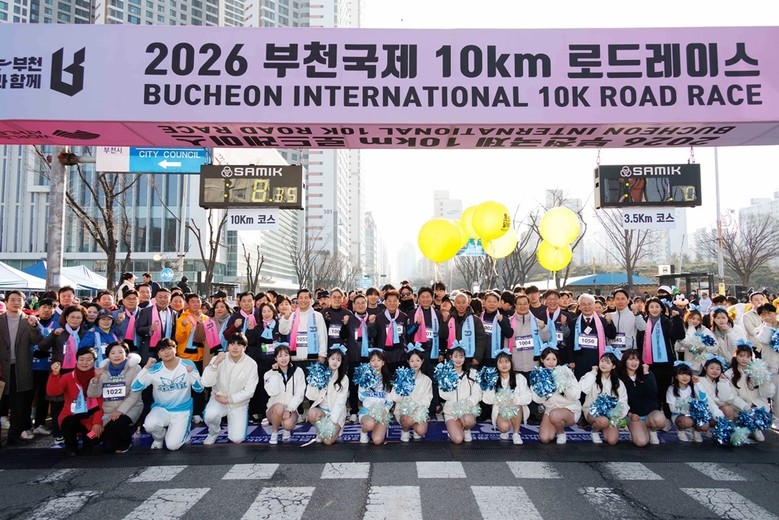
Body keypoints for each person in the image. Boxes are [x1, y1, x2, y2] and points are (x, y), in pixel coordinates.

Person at [130, 338, 204, 450]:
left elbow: (199, 389)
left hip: (182, 410)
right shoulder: (155, 368)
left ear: (175, 349)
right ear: (158, 354)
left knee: (172, 446)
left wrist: (192, 373)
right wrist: (146, 368)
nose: (166, 352)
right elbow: (135, 387)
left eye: (169, 348)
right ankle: (159, 439)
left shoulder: (187, 364)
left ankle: (185, 428)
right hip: (161, 409)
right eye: (162, 350)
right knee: (150, 425)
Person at [0, 291, 44, 446]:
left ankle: (14, 435)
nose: (16, 303)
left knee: (19, 404)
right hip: (2, 368)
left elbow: (39, 341)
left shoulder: (28, 320)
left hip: (21, 368)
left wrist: (34, 326)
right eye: (12, 300)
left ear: (24, 302)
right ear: (6, 302)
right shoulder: (0, 320)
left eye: (19, 300)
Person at [201, 333, 259, 445]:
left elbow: (249, 391)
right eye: (232, 344)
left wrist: (229, 400)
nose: (235, 347)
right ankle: (213, 432)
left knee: (237, 439)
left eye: (239, 345)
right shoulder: (218, 359)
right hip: (218, 400)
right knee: (210, 415)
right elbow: (205, 382)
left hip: (238, 404)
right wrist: (215, 364)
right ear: (227, 346)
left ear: (245, 347)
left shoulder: (251, 364)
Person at [87, 341, 142, 453]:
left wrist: (120, 411)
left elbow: (135, 394)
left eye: (120, 352)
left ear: (126, 354)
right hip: (107, 413)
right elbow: (93, 395)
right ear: (108, 355)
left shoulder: (136, 368)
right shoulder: (101, 370)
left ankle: (126, 443)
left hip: (130, 408)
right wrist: (96, 379)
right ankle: (109, 434)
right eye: (113, 353)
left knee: (118, 425)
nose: (117, 356)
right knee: (90, 439)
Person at [46, 347, 103, 456]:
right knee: (68, 424)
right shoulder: (68, 377)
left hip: (90, 419)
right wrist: (55, 374)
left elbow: (101, 403)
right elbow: (53, 392)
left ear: (94, 361)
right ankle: (71, 445)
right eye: (81, 359)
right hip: (71, 415)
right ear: (76, 360)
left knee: (94, 438)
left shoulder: (99, 377)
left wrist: (97, 422)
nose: (84, 363)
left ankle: (87, 440)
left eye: (89, 359)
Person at [641, 297, 685, 415]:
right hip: (649, 362)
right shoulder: (643, 322)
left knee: (665, 388)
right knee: (652, 388)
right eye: (651, 307)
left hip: (665, 362)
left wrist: (677, 319)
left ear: (662, 308)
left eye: (657, 306)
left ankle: (666, 414)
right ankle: (654, 413)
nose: (654, 309)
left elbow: (679, 335)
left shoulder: (667, 321)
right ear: (647, 309)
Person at [725, 343, 775, 442]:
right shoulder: (729, 374)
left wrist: (765, 381)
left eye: (748, 356)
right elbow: (732, 396)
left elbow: (767, 394)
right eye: (741, 356)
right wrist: (746, 407)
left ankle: (755, 428)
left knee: (759, 416)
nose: (744, 359)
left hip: (758, 405)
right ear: (736, 356)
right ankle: (745, 428)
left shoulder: (757, 371)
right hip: (740, 407)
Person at [619, 349, 669, 447]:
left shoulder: (647, 374)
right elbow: (618, 399)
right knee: (641, 442)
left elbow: (653, 392)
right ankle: (636, 429)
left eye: (637, 360)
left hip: (650, 413)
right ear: (625, 361)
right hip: (634, 417)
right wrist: (630, 414)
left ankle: (652, 430)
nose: (634, 362)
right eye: (630, 359)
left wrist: (646, 374)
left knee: (660, 420)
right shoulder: (619, 377)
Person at [481, 349, 531, 445]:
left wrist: (515, 399)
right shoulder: (493, 379)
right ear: (496, 364)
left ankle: (516, 433)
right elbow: (487, 400)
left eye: (507, 362)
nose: (504, 365)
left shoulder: (519, 377)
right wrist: (491, 387)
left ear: (511, 363)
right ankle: (505, 429)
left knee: (517, 406)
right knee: (504, 427)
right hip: (500, 410)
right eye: (501, 362)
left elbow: (528, 397)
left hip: (516, 408)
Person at [533, 347, 581, 444]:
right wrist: (544, 389)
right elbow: (537, 400)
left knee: (555, 415)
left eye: (554, 359)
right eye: (547, 359)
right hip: (550, 410)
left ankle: (561, 433)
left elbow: (576, 395)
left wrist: (563, 385)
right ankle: (557, 424)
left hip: (569, 408)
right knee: (545, 438)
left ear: (557, 360)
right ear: (542, 360)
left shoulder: (565, 371)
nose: (551, 362)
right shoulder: (538, 375)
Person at [580, 350, 628, 445]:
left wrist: (617, 415)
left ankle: (604, 426)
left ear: (613, 366)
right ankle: (594, 431)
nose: (604, 364)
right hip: (592, 411)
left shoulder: (618, 382)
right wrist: (593, 372)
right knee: (603, 421)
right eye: (602, 361)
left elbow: (623, 401)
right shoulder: (593, 377)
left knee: (612, 440)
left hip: (610, 415)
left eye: (608, 362)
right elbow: (583, 388)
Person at [305, 346, 349, 445]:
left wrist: (332, 421)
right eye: (333, 358)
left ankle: (338, 428)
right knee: (311, 414)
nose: (335, 362)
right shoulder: (321, 373)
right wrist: (313, 381)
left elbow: (340, 402)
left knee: (328, 442)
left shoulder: (344, 378)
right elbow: (311, 396)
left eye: (338, 360)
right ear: (328, 359)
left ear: (341, 362)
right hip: (323, 412)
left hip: (336, 415)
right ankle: (321, 430)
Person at [263, 343, 305, 445]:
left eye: (286, 355)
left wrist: (289, 409)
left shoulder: (298, 371)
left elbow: (300, 394)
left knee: (288, 424)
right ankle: (274, 432)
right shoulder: (269, 374)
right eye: (280, 356)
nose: (283, 358)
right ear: (275, 358)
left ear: (290, 356)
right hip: (274, 409)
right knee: (279, 407)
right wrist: (275, 373)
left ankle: (286, 430)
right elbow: (272, 392)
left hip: (291, 409)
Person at [390, 345, 433, 442]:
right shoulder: (402, 377)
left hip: (419, 410)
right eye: (412, 361)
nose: (415, 363)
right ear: (408, 361)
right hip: (403, 410)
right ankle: (405, 430)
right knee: (408, 420)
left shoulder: (427, 380)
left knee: (421, 431)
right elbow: (394, 396)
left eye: (418, 360)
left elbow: (428, 398)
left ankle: (415, 428)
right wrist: (401, 391)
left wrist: (417, 406)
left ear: (422, 361)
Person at [439, 346, 482, 445]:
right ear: (451, 357)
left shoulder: (472, 373)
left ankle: (466, 429)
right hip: (451, 412)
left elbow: (477, 393)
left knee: (469, 421)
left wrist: (469, 403)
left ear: (465, 358)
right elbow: (443, 395)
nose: (458, 359)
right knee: (458, 439)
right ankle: (454, 428)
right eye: (456, 356)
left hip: (467, 410)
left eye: (461, 356)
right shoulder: (445, 374)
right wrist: (448, 382)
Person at [666, 362, 715, 442]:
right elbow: (672, 409)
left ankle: (696, 430)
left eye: (687, 374)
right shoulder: (671, 389)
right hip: (679, 415)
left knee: (705, 425)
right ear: (676, 376)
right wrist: (685, 410)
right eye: (681, 374)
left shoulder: (692, 387)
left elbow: (702, 397)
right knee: (687, 421)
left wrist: (697, 384)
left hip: (694, 415)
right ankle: (680, 430)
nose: (685, 377)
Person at [572, 294, 617, 380]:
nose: (587, 307)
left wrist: (610, 323)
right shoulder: (574, 322)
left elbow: (612, 335)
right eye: (583, 304)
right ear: (579, 306)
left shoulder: (603, 321)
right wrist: (571, 360)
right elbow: (570, 343)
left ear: (593, 305)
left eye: (589, 304)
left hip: (598, 360)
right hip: (580, 362)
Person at [30, 298, 57, 436]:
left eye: (50, 307)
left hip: (49, 367)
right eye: (44, 307)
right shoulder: (31, 322)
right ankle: (26, 425)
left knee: (44, 396)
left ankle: (40, 424)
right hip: (32, 366)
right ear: (38, 308)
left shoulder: (57, 324)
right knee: (29, 396)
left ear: (54, 310)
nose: (46, 310)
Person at [279, 288, 327, 362]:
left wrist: (322, 355)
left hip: (313, 358)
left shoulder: (318, 316)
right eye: (301, 298)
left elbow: (322, 337)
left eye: (306, 298)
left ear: (311, 300)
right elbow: (283, 331)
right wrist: (285, 318)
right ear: (297, 300)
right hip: (295, 358)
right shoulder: (292, 315)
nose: (303, 300)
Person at [696, 355, 745, 423]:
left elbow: (726, 398)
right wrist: (719, 414)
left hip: (717, 409)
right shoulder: (699, 380)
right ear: (705, 368)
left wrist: (722, 382)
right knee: (726, 410)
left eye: (718, 369)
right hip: (705, 409)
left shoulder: (721, 381)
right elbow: (707, 400)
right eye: (712, 368)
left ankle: (728, 428)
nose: (715, 371)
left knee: (729, 410)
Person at [358, 350, 393, 445]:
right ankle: (364, 431)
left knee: (377, 440)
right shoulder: (364, 378)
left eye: (378, 360)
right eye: (373, 360)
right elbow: (361, 398)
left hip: (381, 413)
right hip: (367, 412)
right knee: (369, 424)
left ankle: (376, 430)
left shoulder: (388, 379)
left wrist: (385, 410)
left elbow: (390, 400)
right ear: (369, 363)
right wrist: (365, 384)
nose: (376, 363)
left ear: (383, 363)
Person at [446, 291, 487, 371]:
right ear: (454, 304)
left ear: (468, 303)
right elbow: (444, 336)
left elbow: (481, 339)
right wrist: (444, 322)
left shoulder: (475, 320)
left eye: (463, 302)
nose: (461, 305)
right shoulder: (450, 319)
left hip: (470, 358)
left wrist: (477, 357)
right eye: (458, 303)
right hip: (453, 357)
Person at [135, 288, 177, 364]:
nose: (162, 300)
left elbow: (174, 332)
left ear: (170, 299)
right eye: (160, 297)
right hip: (149, 350)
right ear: (155, 298)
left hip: (167, 350)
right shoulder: (146, 311)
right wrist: (149, 329)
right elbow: (139, 330)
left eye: (165, 297)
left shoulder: (173, 313)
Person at [755, 304, 779, 430]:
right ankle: (769, 418)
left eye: (769, 313)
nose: (767, 316)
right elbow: (763, 340)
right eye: (763, 314)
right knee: (769, 394)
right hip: (769, 367)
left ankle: (777, 418)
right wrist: (768, 325)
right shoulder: (760, 329)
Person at [608, 288, 646, 352]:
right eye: (617, 299)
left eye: (623, 299)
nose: (620, 302)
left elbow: (643, 328)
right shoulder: (609, 316)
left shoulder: (634, 315)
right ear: (614, 301)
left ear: (628, 300)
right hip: (613, 351)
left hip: (629, 351)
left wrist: (636, 314)